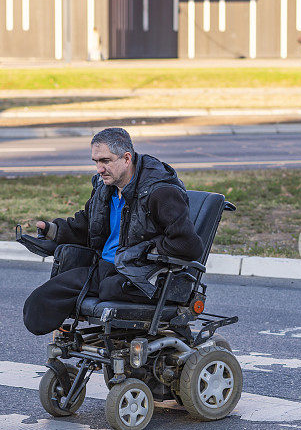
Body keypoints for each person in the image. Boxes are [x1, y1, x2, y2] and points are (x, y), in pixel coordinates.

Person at [23, 127, 203, 336]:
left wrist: (144, 251)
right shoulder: (105, 189)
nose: (99, 169)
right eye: (96, 162)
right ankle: (67, 343)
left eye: (105, 161)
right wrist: (52, 230)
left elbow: (188, 245)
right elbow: (87, 227)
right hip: (106, 269)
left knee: (109, 288)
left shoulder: (160, 192)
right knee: (41, 301)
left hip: (141, 275)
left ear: (127, 158)